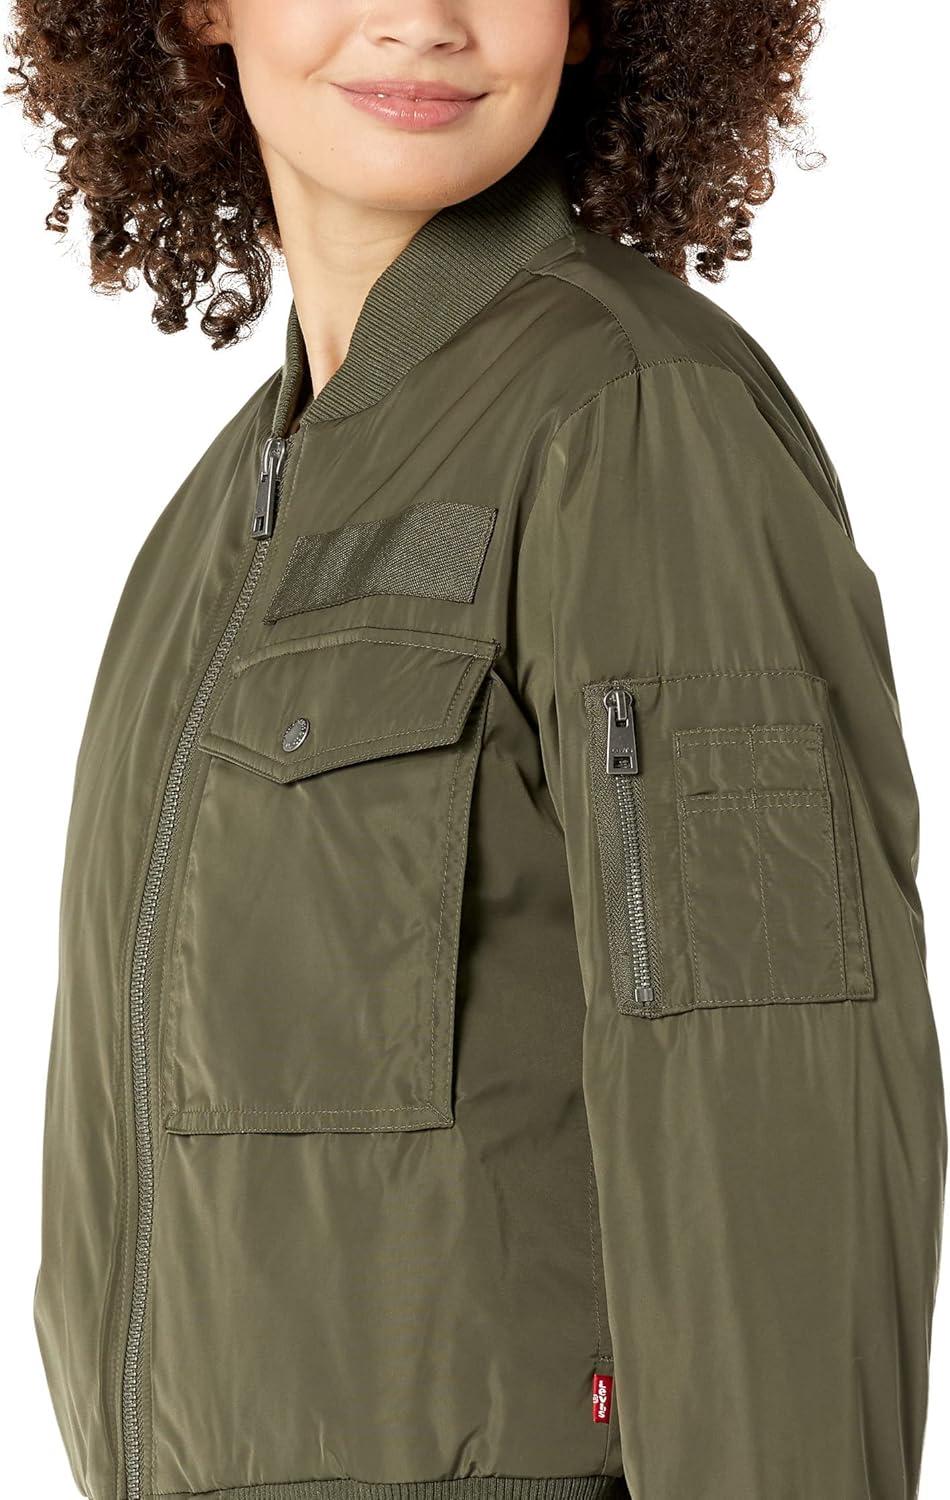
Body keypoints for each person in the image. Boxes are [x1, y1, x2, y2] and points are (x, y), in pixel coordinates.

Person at [9, 4, 945, 1500]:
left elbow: (769, 1093)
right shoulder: (205, 532)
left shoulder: (636, 417)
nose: (423, 20)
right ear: (199, 9)